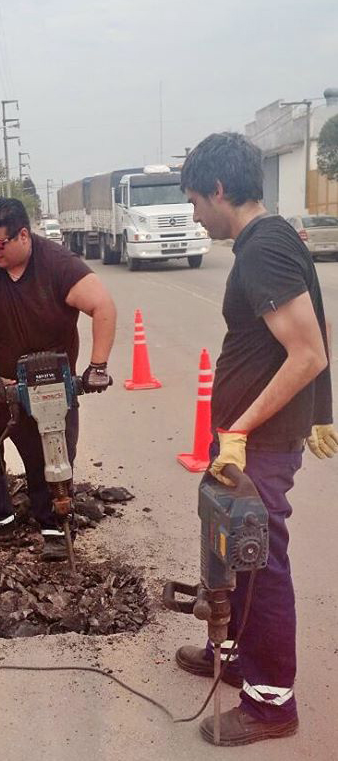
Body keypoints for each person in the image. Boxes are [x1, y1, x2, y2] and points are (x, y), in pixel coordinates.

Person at [176, 132, 337, 746]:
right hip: (258, 437)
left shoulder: (262, 248)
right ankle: (240, 657)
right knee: (234, 552)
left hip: (259, 442)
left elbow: (308, 350)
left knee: (259, 560)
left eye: (195, 200)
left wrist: (240, 429)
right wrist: (320, 412)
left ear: (220, 190)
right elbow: (317, 322)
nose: (194, 213)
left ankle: (272, 703)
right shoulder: (272, 240)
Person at [0, 197, 116, 560]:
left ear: (23, 235)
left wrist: (97, 367)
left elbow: (103, 305)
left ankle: (54, 526)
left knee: (52, 457)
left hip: (49, 388)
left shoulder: (58, 264)